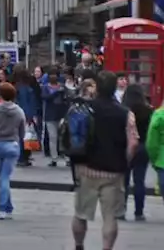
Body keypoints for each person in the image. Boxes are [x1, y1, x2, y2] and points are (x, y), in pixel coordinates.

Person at [71, 71, 137, 250]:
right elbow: (132, 144)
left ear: (97, 87)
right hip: (113, 171)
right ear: (115, 87)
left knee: (80, 214)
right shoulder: (125, 113)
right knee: (110, 217)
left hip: (86, 168)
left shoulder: (84, 108)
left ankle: (79, 245)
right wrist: (125, 162)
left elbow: (72, 135)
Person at [0, 82, 27, 219]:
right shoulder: (19, 111)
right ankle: (7, 207)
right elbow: (22, 132)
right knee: (5, 176)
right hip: (12, 145)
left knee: (3, 176)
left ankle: (2, 208)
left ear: (0, 94)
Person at [121, 84, 153, 222]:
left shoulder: (123, 110)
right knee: (139, 181)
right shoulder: (149, 110)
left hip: (126, 147)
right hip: (142, 147)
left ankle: (121, 211)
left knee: (124, 181)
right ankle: (139, 212)